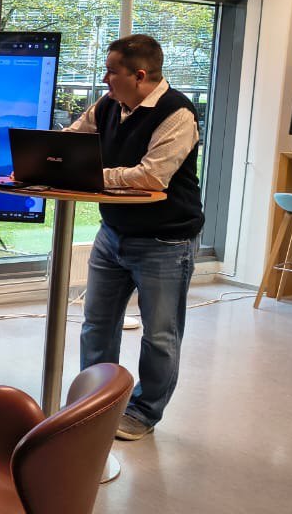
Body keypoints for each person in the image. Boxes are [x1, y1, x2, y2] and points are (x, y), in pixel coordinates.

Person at [65, 34, 204, 441]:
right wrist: (50, 156)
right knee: (97, 326)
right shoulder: (108, 105)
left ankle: (144, 412)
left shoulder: (177, 113)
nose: (104, 79)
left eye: (112, 72)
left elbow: (151, 176)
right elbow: (72, 140)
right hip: (113, 234)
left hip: (165, 242)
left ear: (139, 76)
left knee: (159, 336)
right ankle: (94, 403)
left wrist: (90, 175)